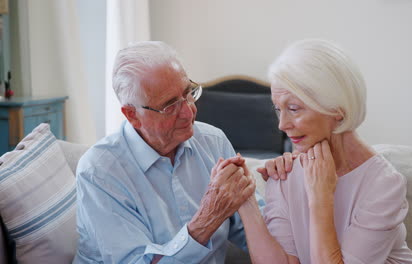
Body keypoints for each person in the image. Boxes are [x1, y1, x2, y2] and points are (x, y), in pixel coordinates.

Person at [73, 41, 280, 263]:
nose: (189, 111)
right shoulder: (99, 172)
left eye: (188, 93)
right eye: (170, 105)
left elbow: (253, 229)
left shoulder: (213, 141)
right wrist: (207, 219)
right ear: (132, 115)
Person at [238, 39, 412, 263]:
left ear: (336, 109)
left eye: (294, 109)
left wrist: (321, 197)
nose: (282, 125)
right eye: (278, 109)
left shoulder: (384, 184)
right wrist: (245, 201)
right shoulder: (285, 172)